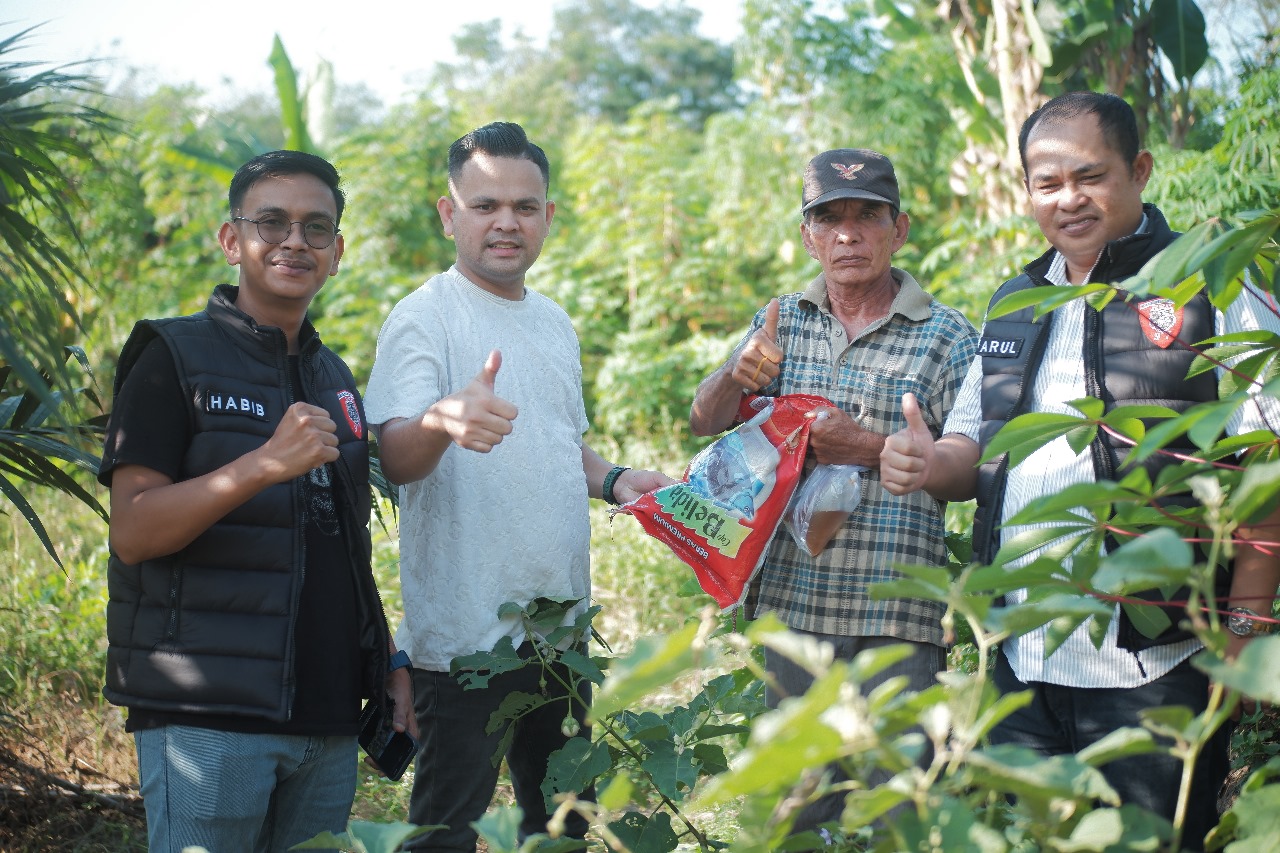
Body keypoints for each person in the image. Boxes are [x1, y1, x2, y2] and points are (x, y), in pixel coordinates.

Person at [880, 92, 1280, 849]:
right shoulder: (1016, 300)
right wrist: (928, 462)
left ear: (1140, 170)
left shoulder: (1212, 285)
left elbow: (1269, 459)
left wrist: (1246, 628)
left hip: (1158, 662)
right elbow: (971, 450)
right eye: (1047, 183)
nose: (1068, 199)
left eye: (1089, 177)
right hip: (1021, 658)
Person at [363, 121, 672, 852]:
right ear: (449, 214)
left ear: (548, 216)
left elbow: (559, 446)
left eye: (525, 207)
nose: (507, 222)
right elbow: (396, 456)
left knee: (563, 825)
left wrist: (616, 479)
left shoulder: (554, 321)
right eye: (486, 205)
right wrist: (443, 418)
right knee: (445, 833)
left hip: (560, 634)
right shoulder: (424, 317)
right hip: (465, 645)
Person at [99, 150, 414, 852]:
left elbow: (343, 542)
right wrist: (263, 464)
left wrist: (386, 658)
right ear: (230, 238)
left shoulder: (334, 377)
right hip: (210, 712)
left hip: (328, 713)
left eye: (316, 227)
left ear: (337, 252)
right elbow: (134, 530)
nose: (295, 241)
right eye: (272, 222)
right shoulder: (172, 356)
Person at [689, 148, 980, 835]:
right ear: (808, 236)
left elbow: (971, 473)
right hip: (795, 609)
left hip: (898, 612)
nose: (848, 234)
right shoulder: (781, 321)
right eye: (829, 219)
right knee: (798, 810)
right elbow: (704, 420)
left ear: (898, 230)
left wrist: (870, 447)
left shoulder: (947, 336)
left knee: (899, 811)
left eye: (867, 216)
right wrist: (735, 373)